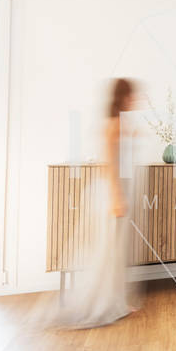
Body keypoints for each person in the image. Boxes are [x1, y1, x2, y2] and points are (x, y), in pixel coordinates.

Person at [55, 78, 142, 328]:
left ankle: (117, 300)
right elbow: (109, 164)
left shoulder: (121, 124)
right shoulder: (113, 125)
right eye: (132, 96)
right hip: (112, 191)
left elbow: (129, 141)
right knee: (109, 252)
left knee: (115, 252)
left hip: (119, 189)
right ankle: (105, 302)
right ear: (123, 97)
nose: (134, 100)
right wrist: (116, 196)